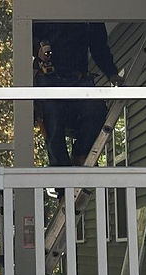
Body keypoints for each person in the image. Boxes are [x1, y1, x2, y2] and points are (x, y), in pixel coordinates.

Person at [33, 21, 121, 168]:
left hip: (79, 78)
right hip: (49, 78)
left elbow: (99, 48)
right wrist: (38, 49)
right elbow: (28, 34)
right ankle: (61, 177)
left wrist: (111, 73)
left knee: (96, 110)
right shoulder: (46, 7)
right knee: (52, 123)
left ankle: (81, 155)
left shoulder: (88, 13)